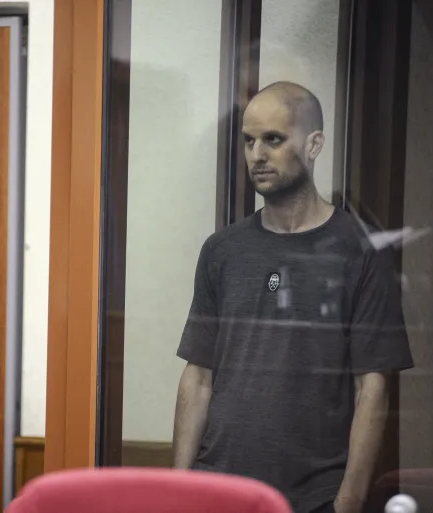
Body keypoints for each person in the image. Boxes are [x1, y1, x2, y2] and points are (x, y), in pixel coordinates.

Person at [172, 81, 413, 513]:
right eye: (248, 141)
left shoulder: (359, 251)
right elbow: (198, 376)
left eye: (273, 139)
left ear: (314, 143)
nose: (256, 155)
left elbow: (372, 389)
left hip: (312, 497)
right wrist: (178, 490)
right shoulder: (222, 250)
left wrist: (348, 502)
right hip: (218, 490)